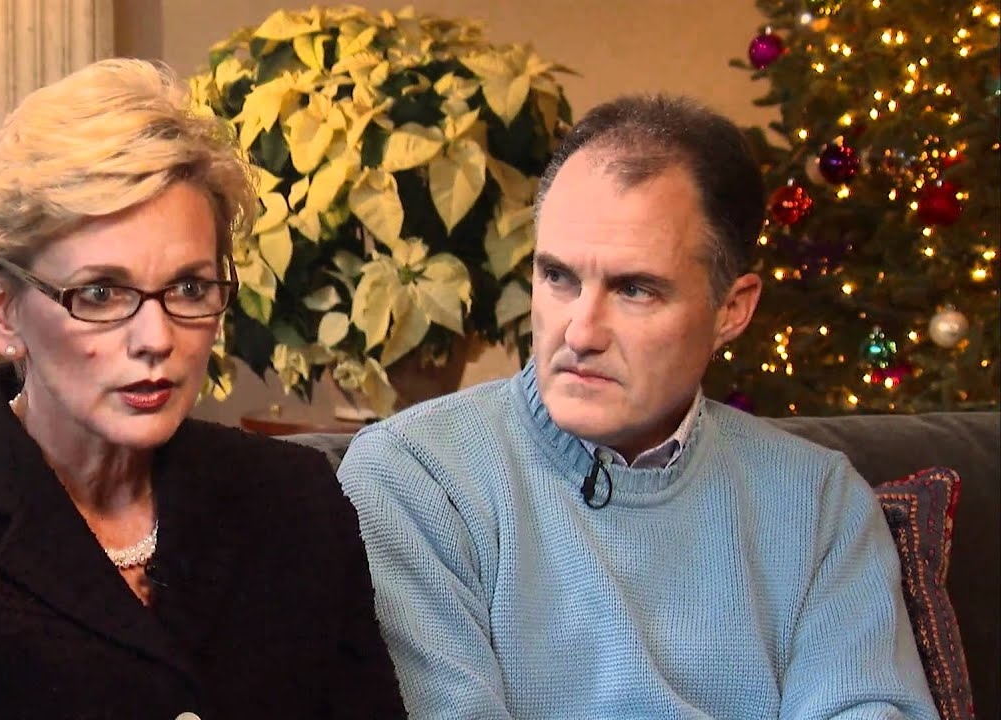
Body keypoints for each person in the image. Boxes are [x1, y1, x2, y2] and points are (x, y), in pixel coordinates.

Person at [0, 58, 405, 719]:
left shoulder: (295, 500)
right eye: (101, 293)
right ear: (1, 310)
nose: (155, 337)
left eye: (189, 287)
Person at [337, 94, 938, 719]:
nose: (580, 332)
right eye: (558, 277)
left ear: (732, 309)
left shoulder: (819, 501)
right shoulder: (413, 476)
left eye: (635, 290)